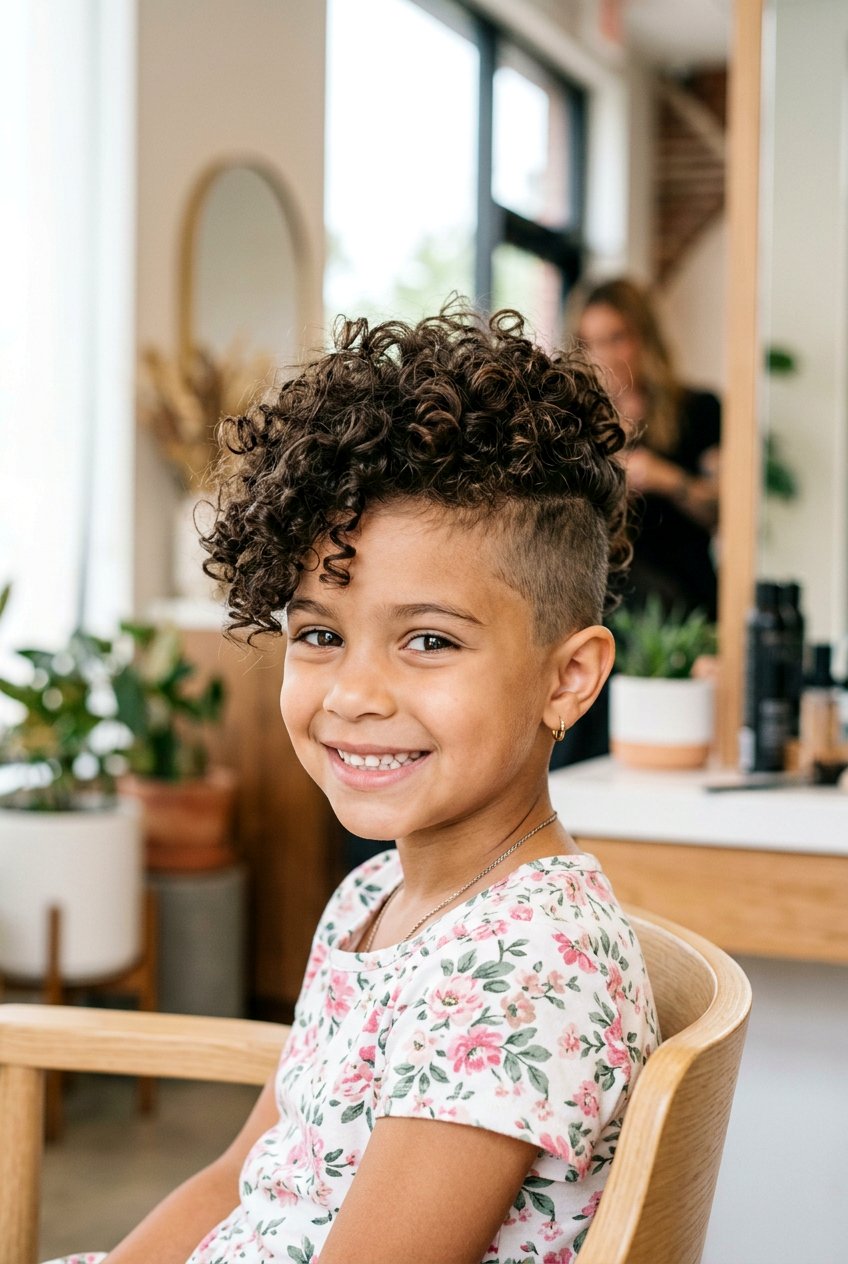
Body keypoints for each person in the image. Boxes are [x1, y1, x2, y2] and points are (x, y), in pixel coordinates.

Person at [48, 307, 658, 1264]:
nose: (355, 694)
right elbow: (239, 1179)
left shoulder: (521, 970)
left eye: (430, 640)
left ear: (568, 678)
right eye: (321, 634)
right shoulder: (374, 894)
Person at [577, 277, 721, 621]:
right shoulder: (580, 422)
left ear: (645, 337)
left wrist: (668, 479)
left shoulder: (699, 410)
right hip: (611, 606)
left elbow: (720, 512)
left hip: (685, 604)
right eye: (591, 343)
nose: (604, 357)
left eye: (616, 338)